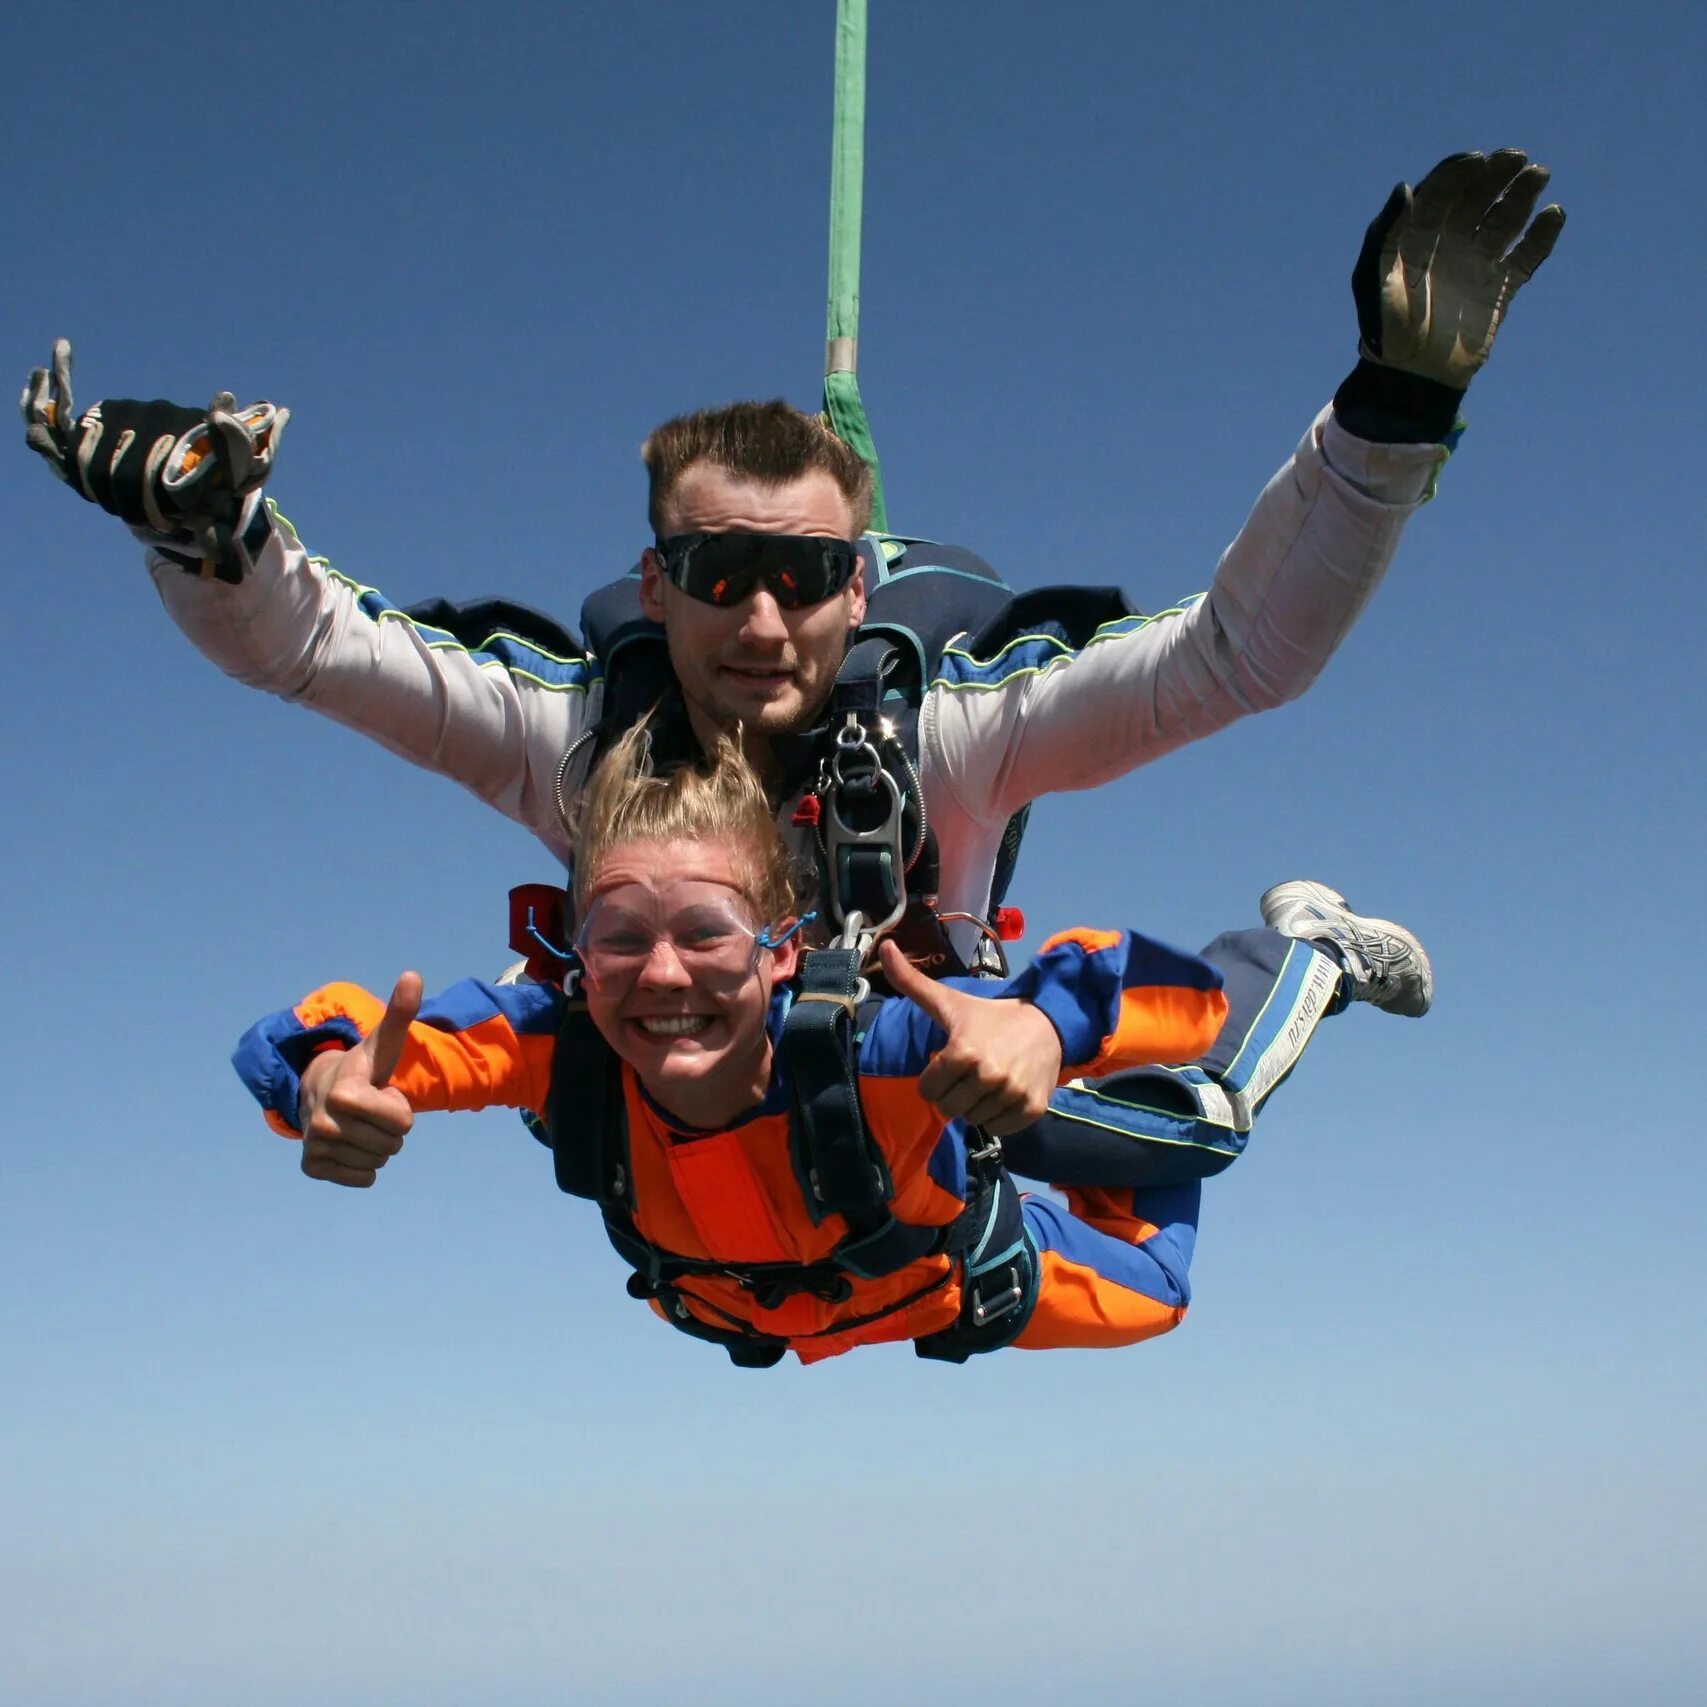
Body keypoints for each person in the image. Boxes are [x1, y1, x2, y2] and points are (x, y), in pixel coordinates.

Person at [24, 148, 1554, 1180]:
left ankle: (1307, 948)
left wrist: (1389, 412)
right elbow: (318, 649)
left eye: (811, 577)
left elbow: (1235, 658)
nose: (764, 624)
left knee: (1185, 1130)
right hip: (702, 1092)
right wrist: (215, 537)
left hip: (934, 1047)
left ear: (859, 579)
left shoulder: (946, 733)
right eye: (718, 575)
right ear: (652, 581)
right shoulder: (574, 733)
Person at [233, 725, 1428, 1366]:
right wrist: (324, 1078)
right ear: (574, 954)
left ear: (779, 949)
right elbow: (312, 1037)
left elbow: (1161, 999)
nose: (661, 976)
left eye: (705, 931)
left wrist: (1039, 1022)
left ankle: (1310, 949)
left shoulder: (877, 1051)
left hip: (950, 1265)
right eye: (616, 937)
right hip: (810, 1304)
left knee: (1191, 1175)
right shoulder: (568, 1044)